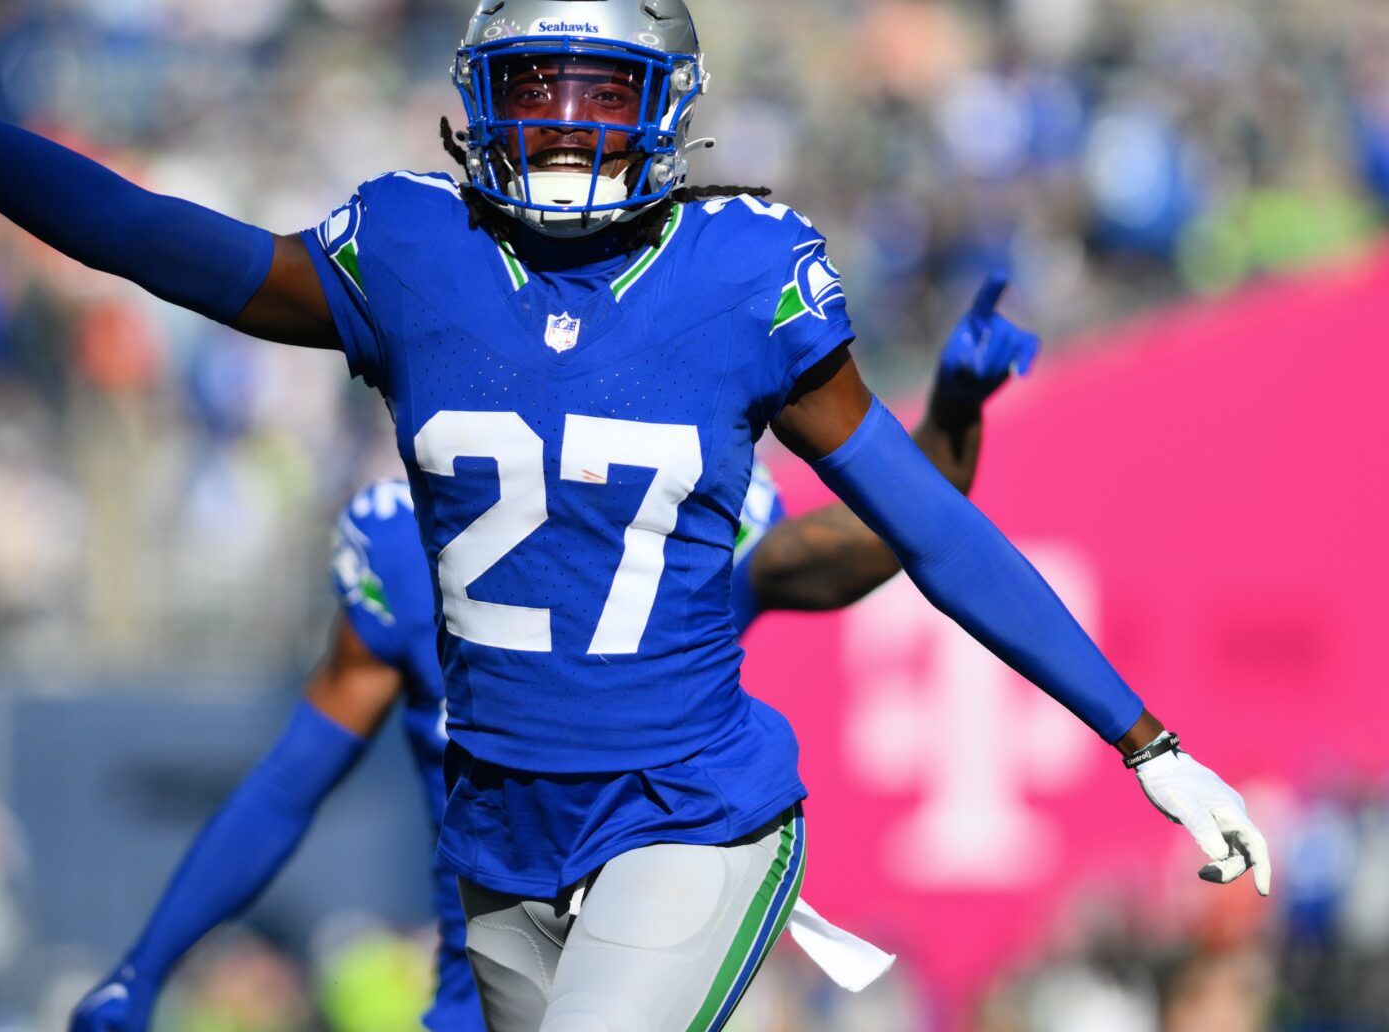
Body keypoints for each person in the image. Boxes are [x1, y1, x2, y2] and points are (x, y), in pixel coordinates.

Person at [0, 0, 1269, 1032]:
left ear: (665, 107)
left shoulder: (742, 275)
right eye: (532, 88)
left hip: (690, 814)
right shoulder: (413, 253)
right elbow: (137, 233)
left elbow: (918, 529)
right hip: (496, 837)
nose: (557, 123)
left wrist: (1146, 741)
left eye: (597, 96)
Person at [67, 278, 1037, 1032]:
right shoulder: (405, 546)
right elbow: (287, 784)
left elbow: (887, 536)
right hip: (485, 1000)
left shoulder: (679, 510)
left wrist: (951, 415)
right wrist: (144, 964)